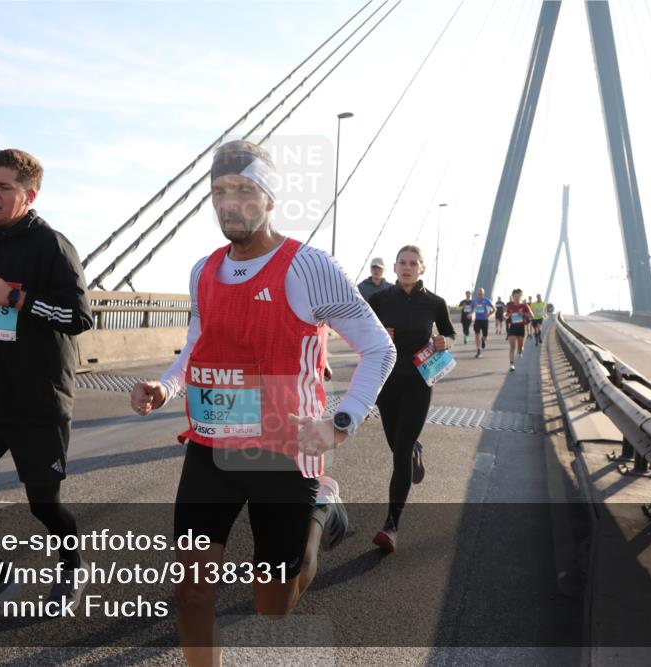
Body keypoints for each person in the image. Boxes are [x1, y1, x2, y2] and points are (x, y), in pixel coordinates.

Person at [129, 140, 395, 666]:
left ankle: (319, 516)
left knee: (272, 606)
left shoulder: (309, 266)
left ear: (270, 199)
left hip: (283, 454)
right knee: (192, 591)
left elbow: (378, 348)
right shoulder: (203, 270)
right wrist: (167, 386)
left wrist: (339, 423)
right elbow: (199, 343)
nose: (230, 203)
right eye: (220, 191)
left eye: (245, 190)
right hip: (210, 449)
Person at [0, 149, 94, 633]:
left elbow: (78, 318)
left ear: (29, 195)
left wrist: (17, 297)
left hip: (38, 402)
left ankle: (72, 567)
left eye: (4, 187)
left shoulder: (53, 245)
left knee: (43, 504)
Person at [367, 245, 455, 553]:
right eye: (402, 262)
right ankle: (414, 448)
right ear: (394, 267)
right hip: (387, 384)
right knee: (397, 448)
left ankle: (391, 525)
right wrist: (379, 337)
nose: (407, 267)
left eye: (413, 263)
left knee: (400, 452)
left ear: (422, 268)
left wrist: (445, 342)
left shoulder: (435, 303)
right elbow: (362, 333)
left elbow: (450, 334)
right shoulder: (379, 300)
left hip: (419, 384)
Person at [504, 288, 534, 372]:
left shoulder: (525, 306)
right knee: (512, 346)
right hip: (513, 327)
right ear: (512, 297)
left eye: (518, 296)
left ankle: (520, 351)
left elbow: (532, 316)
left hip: (521, 328)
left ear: (521, 296)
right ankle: (512, 364)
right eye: (515, 296)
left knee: (520, 346)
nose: (517, 298)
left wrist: (523, 313)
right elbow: (507, 315)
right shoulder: (511, 306)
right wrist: (505, 317)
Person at [471, 287, 494, 357]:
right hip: (477, 320)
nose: (480, 294)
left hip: (485, 320)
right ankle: (478, 350)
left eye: (481, 293)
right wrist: (471, 314)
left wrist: (489, 314)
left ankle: (483, 340)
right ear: (477, 294)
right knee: (477, 334)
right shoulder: (474, 301)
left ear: (483, 294)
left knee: (485, 335)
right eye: (479, 293)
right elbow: (472, 310)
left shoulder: (487, 300)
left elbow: (494, 309)